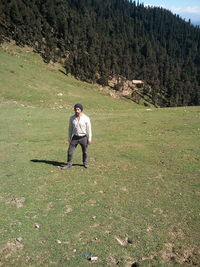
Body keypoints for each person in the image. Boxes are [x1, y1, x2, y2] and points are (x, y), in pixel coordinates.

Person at [61, 103, 92, 169]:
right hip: (75, 137)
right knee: (70, 151)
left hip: (84, 137)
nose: (76, 111)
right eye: (75, 109)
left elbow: (89, 129)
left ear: (81, 110)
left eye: (78, 109)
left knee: (85, 151)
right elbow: (70, 129)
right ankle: (69, 164)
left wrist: (89, 139)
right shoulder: (72, 118)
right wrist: (69, 138)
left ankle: (85, 163)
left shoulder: (86, 118)